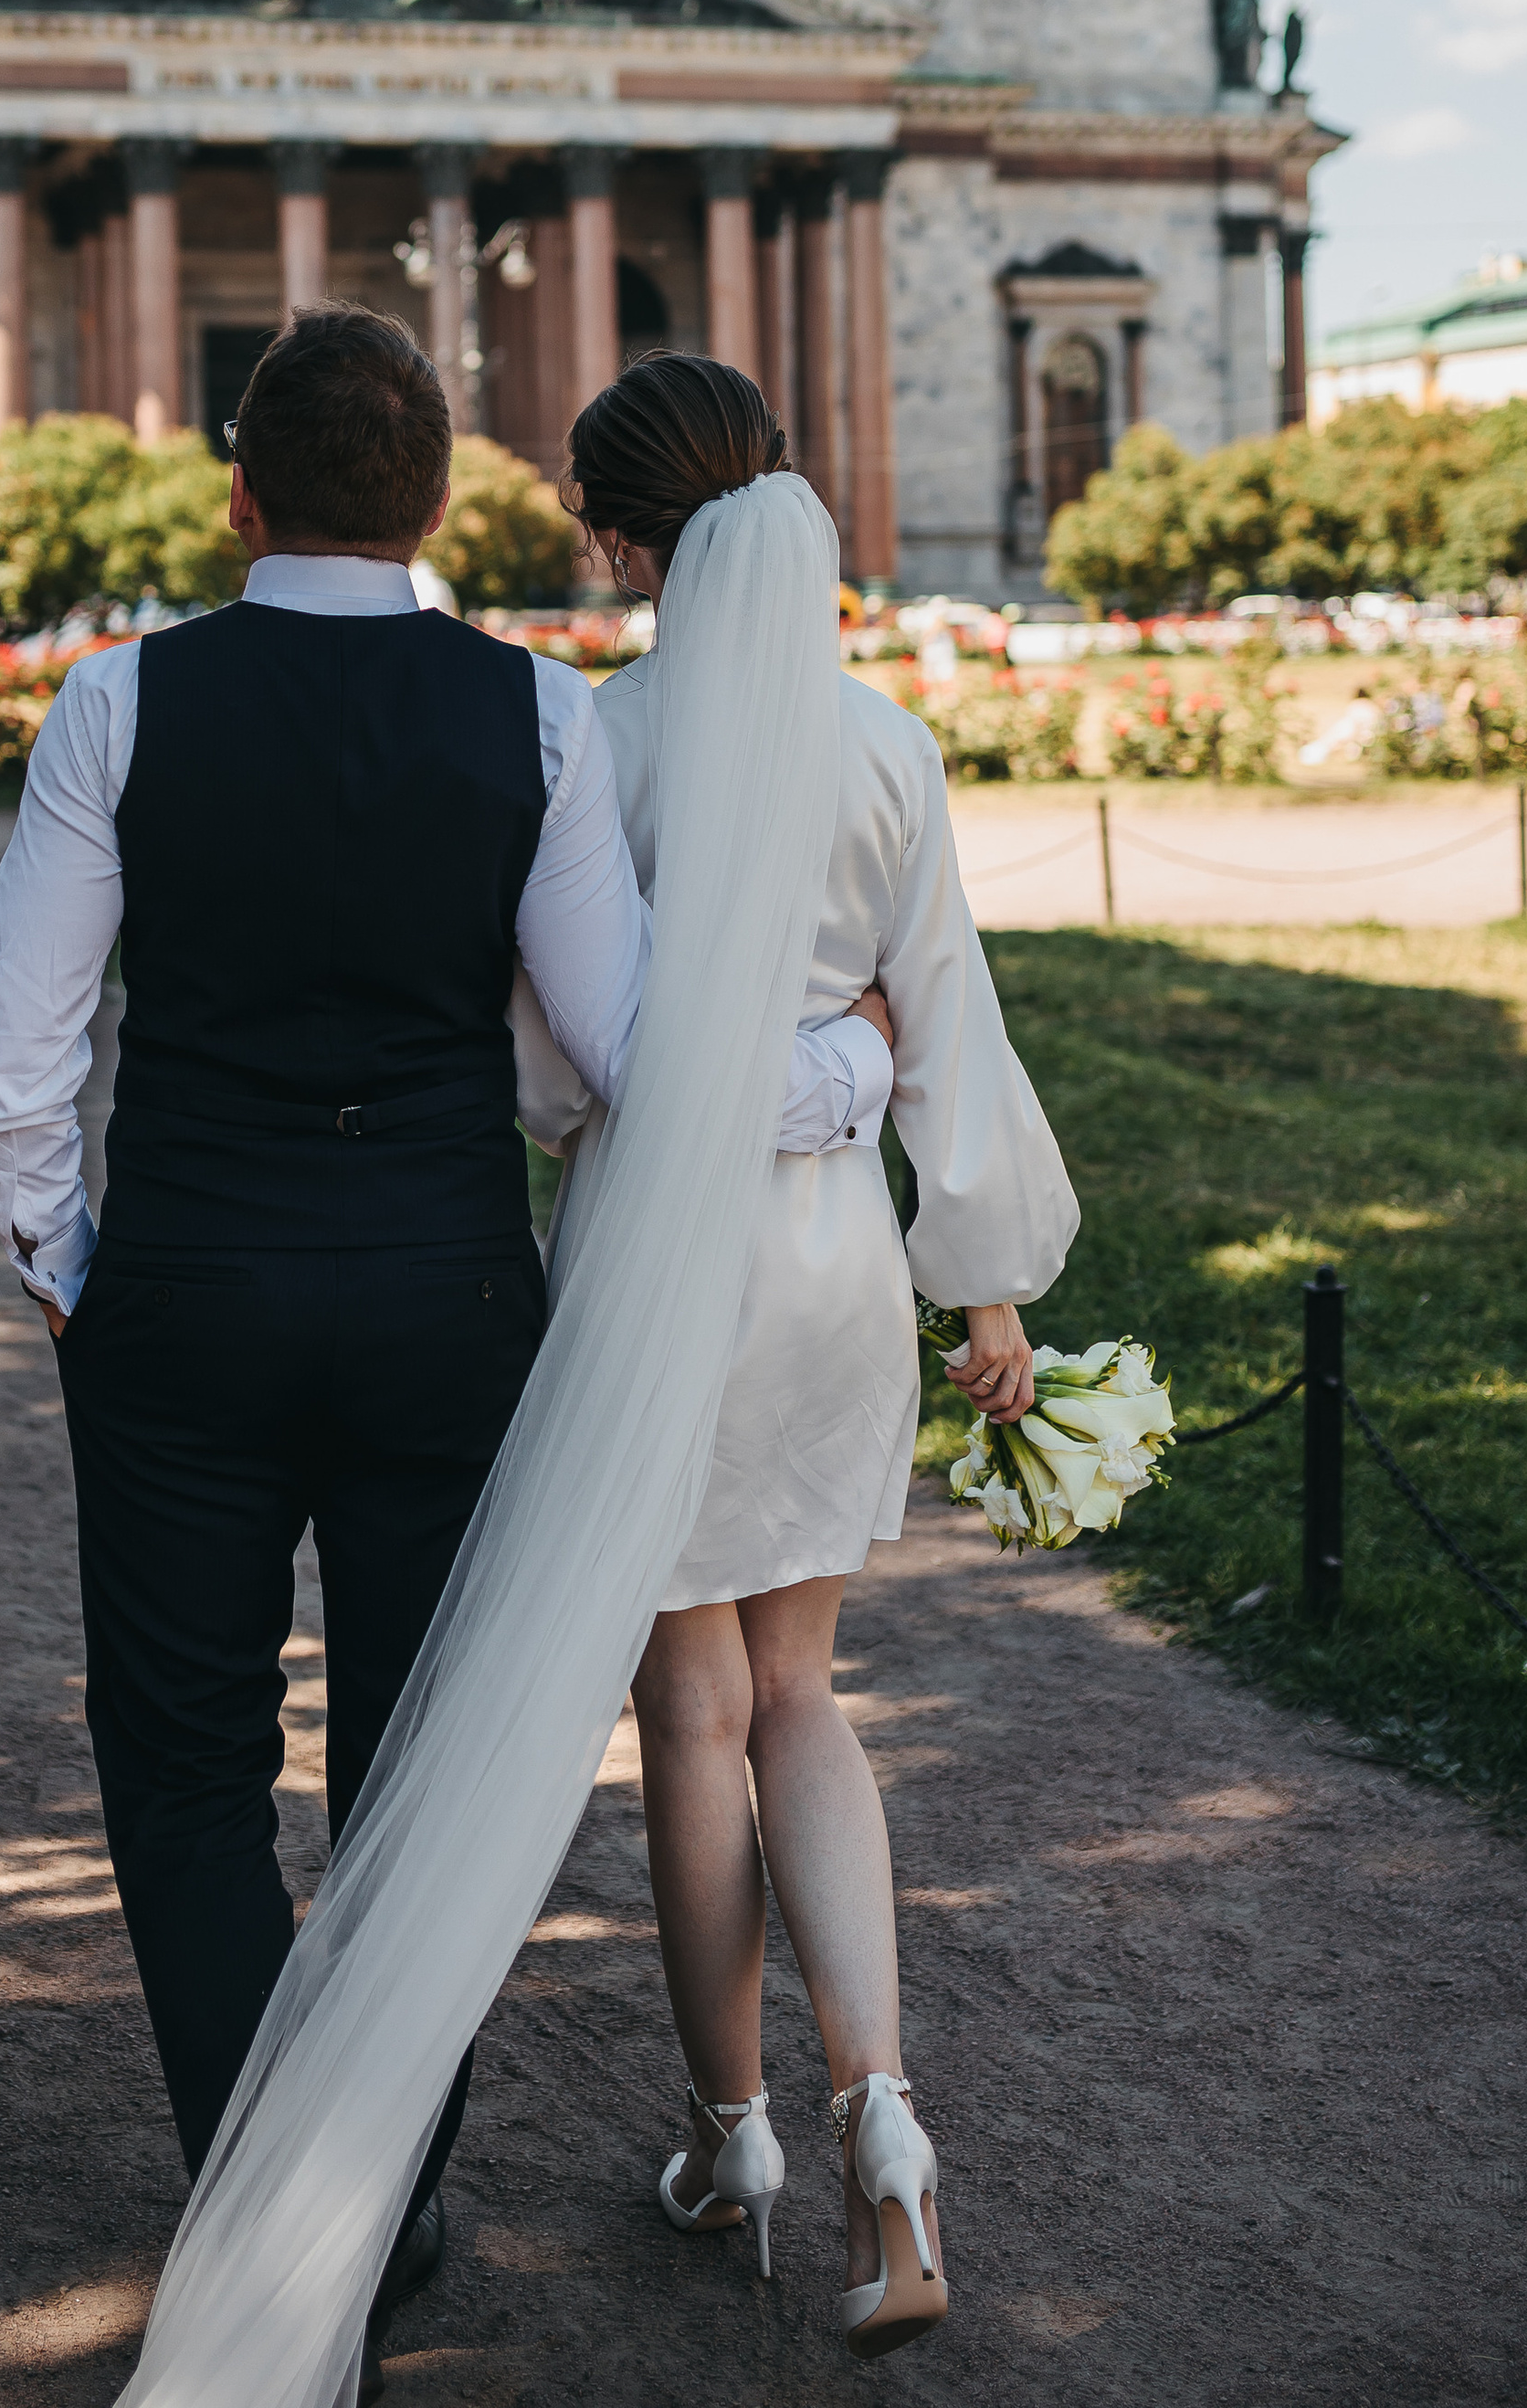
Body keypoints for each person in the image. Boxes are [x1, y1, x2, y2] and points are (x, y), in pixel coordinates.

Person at [0, 306, 882, 2401]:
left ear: (237, 496)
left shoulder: (117, 700)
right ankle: (369, 2203)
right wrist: (852, 1070)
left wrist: (70, 1268)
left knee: (181, 1771)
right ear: (441, 504)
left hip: (185, 1290)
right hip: (443, 1303)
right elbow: (631, 1050)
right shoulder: (532, 714)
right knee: (425, 1774)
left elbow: (15, 1057)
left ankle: (262, 2199)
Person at [550, 353, 1078, 2359]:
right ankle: (888, 2132)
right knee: (803, 1698)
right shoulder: (886, 746)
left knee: (687, 1714)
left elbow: (553, 1071)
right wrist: (987, 1289)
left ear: (623, 545)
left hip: (654, 1261)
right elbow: (950, 1016)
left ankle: (730, 2137)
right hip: (839, 1262)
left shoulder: (593, 740)